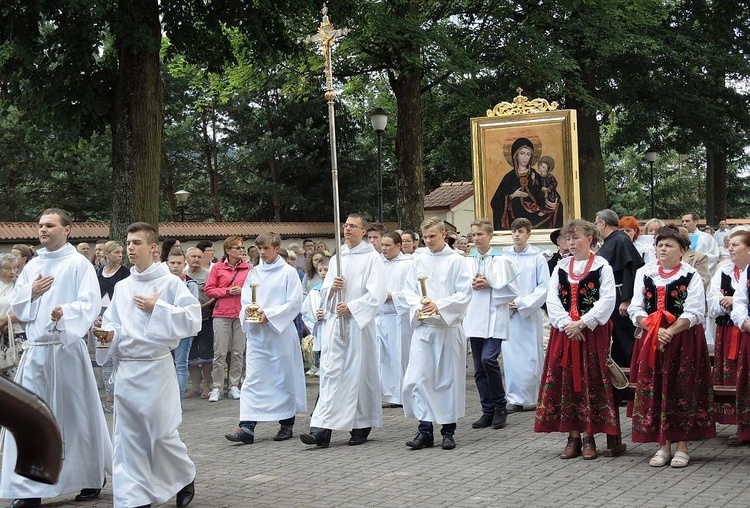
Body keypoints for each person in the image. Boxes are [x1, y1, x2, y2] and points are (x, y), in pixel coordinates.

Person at [1, 208, 111, 508]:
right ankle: (30, 487)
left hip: (65, 349)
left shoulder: (78, 264)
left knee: (77, 416)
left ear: (67, 230)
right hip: (36, 351)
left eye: (49, 225)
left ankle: (90, 476)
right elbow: (19, 307)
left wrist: (66, 313)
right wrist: (32, 293)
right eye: (40, 225)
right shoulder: (34, 264)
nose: (43, 230)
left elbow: (89, 304)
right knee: (31, 418)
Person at [95, 221, 201, 508]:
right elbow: (113, 324)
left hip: (156, 367)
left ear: (153, 248)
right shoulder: (123, 285)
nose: (130, 247)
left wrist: (158, 308)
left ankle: (184, 475)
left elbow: (193, 319)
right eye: (128, 243)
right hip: (128, 369)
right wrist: (105, 333)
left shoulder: (169, 282)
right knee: (128, 438)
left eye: (136, 243)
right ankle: (134, 497)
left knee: (161, 434)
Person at [629, 224, 715, 468]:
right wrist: (652, 328)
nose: (662, 249)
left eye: (669, 245)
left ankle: (683, 446)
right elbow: (636, 308)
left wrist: (670, 330)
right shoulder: (644, 273)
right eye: (659, 245)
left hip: (684, 340)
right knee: (656, 388)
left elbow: (696, 310)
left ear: (682, 251)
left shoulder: (690, 275)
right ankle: (662, 444)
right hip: (653, 339)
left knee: (682, 388)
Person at [300, 213, 387, 448]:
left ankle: (361, 425)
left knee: (357, 376)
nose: (347, 229)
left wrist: (352, 306)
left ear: (363, 232)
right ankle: (321, 431)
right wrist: (331, 291)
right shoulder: (339, 255)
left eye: (353, 226)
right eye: (346, 225)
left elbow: (377, 294)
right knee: (331, 376)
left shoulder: (372, 258)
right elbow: (325, 294)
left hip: (358, 326)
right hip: (335, 327)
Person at [535, 219, 618, 461]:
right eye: (568, 239)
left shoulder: (602, 267)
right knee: (566, 383)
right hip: (565, 334)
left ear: (590, 239)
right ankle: (573, 436)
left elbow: (607, 300)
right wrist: (566, 324)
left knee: (590, 381)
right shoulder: (561, 267)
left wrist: (582, 322)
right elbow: (551, 299)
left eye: (576, 238)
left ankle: (590, 436)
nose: (571, 243)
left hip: (591, 334)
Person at [224, 232, 307, 444]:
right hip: (258, 336)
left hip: (279, 334)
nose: (262, 253)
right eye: (259, 249)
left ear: (277, 247)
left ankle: (286, 423)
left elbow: (294, 302)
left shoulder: (289, 273)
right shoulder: (254, 273)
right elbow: (246, 300)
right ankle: (247, 427)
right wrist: (250, 314)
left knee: (282, 378)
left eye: (266, 249)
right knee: (253, 379)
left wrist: (269, 315)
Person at [403, 217, 472, 451]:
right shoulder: (418, 260)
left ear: (444, 235)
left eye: (433, 236)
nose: (428, 241)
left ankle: (448, 431)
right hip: (424, 329)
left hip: (447, 330)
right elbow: (408, 290)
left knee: (446, 380)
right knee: (418, 379)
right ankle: (424, 430)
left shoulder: (457, 261)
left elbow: (464, 293)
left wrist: (438, 305)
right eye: (425, 237)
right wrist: (418, 306)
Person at [465, 218, 518, 430]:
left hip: (495, 317)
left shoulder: (502, 261)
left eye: (480, 234)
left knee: (489, 360)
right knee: (479, 367)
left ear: (490, 236)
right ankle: (487, 410)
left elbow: (513, 289)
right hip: (474, 317)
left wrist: (491, 284)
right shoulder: (466, 260)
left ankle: (500, 406)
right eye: (473, 234)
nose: (476, 238)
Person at [503, 218, 550, 412]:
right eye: (514, 231)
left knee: (530, 357)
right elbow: (500, 282)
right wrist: (505, 301)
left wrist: (521, 303)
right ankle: (514, 398)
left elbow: (543, 287)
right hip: (507, 313)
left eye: (520, 231)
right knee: (510, 358)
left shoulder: (537, 257)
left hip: (528, 314)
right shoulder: (504, 257)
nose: (516, 235)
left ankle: (532, 397)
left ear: (528, 234)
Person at [713, 230, 750, 444]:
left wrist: (733, 300)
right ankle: (740, 425)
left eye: (736, 244)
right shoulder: (724, 270)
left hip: (741, 329)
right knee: (735, 378)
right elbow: (713, 298)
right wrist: (737, 312)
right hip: (731, 328)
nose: (730, 248)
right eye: (730, 244)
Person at [204, 236, 251, 402]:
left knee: (239, 352)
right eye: (237, 247)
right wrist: (227, 291)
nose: (241, 250)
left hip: (241, 314)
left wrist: (244, 292)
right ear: (228, 250)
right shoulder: (217, 267)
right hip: (221, 314)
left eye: (242, 247)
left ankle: (233, 386)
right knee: (220, 352)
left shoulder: (249, 268)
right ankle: (216, 387)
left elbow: (255, 290)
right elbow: (209, 290)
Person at [595, 209, 644, 367]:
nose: (596, 227)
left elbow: (631, 270)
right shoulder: (612, 240)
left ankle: (630, 373)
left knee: (625, 338)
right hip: (613, 294)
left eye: (596, 223)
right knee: (617, 337)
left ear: (602, 224)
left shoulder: (620, 240)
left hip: (621, 296)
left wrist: (627, 299)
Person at [377, 231, 417, 408]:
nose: (384, 249)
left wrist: (393, 296)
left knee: (399, 356)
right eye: (382, 245)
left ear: (399, 246)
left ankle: (400, 395)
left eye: (388, 245)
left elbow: (412, 291)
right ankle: (383, 393)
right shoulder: (377, 263)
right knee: (380, 358)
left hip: (398, 316)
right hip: (379, 317)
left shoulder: (408, 264)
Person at [490, 137, 560, 230]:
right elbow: (495, 202)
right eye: (522, 153)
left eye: (528, 154)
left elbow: (548, 194)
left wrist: (555, 204)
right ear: (516, 155)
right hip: (516, 220)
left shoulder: (536, 175)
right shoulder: (509, 178)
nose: (525, 158)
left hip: (536, 215)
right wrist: (512, 196)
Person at [96, 240, 130, 412]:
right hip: (100, 316)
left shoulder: (125, 273)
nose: (120, 255)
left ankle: (119, 395)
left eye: (121, 252)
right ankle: (109, 395)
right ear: (107, 254)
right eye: (116, 252)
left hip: (116, 316)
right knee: (103, 354)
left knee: (116, 354)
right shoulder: (98, 272)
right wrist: (95, 316)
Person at [167, 249, 200, 398]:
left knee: (181, 364)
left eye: (179, 263)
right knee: (166, 365)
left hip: (184, 330)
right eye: (172, 263)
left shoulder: (190, 284)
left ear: (184, 264)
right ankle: (167, 399)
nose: (175, 266)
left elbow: (192, 308)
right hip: (166, 328)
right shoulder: (162, 283)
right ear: (167, 264)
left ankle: (178, 400)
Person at [184, 247, 215, 399]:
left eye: (198, 256)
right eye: (193, 256)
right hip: (188, 321)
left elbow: (213, 295)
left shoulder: (208, 275)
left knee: (206, 354)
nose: (196, 259)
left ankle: (207, 386)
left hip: (205, 317)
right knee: (191, 354)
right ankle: (195, 386)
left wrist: (203, 307)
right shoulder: (182, 275)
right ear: (186, 258)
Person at [301, 255, 330, 376]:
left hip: (333, 329)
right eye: (320, 270)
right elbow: (305, 311)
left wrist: (327, 315)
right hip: (320, 329)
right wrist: (315, 324)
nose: (323, 273)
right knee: (323, 362)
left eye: (326, 270)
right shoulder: (314, 292)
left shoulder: (337, 289)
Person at [0, 254, 23, 378]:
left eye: (14, 268)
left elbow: (23, 311)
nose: (12, 272)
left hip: (15, 335)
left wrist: (4, 320)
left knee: (14, 374)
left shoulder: (20, 286)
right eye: (8, 268)